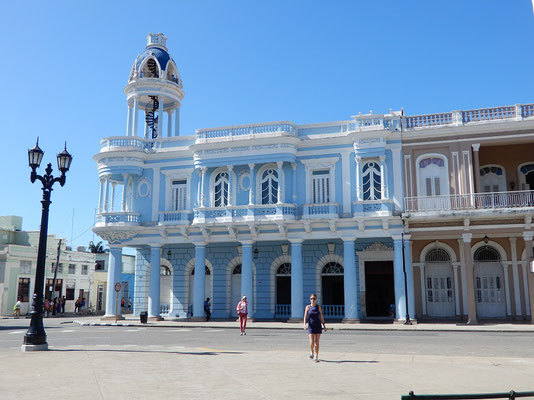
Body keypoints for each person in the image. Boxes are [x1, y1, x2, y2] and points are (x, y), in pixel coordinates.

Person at [303, 293, 326, 362]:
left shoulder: (318, 307)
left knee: (317, 342)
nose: (312, 300)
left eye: (314, 298)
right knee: (311, 343)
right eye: (311, 299)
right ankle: (311, 352)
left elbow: (321, 316)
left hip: (318, 326)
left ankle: (316, 356)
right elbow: (305, 316)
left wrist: (324, 325)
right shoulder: (308, 307)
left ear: (316, 299)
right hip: (311, 326)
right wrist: (304, 324)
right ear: (310, 299)